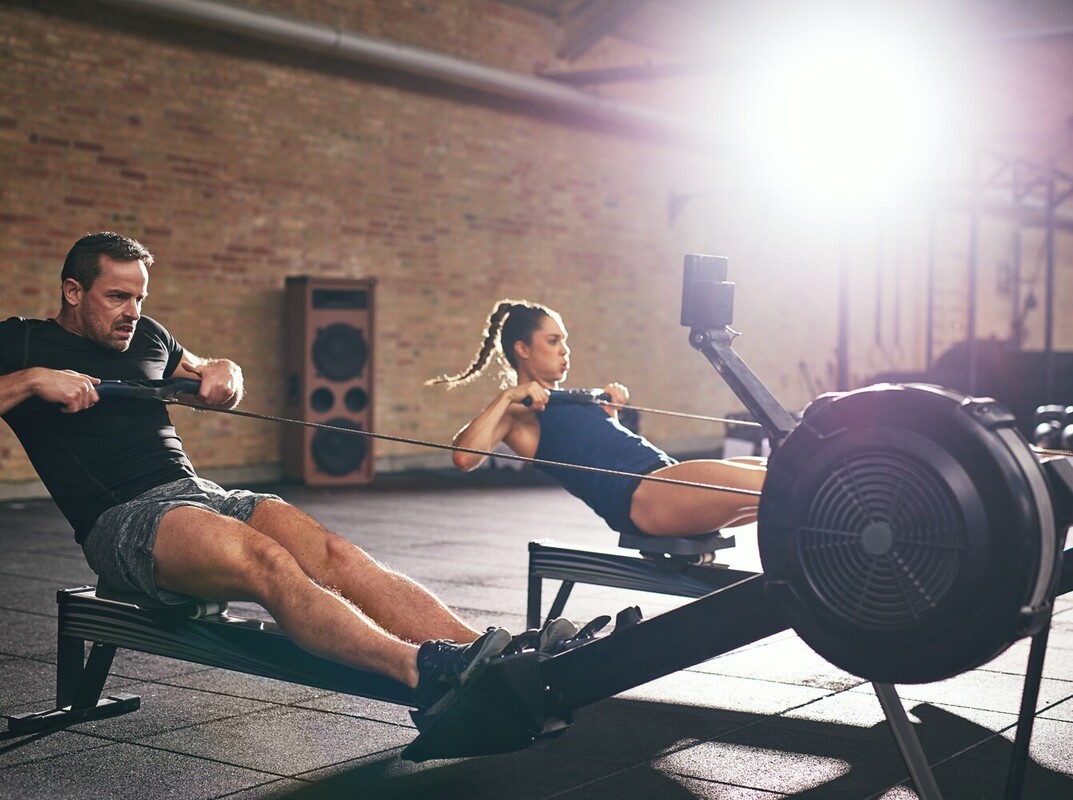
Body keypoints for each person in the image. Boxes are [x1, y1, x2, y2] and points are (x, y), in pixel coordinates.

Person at [0, 232, 539, 712]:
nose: (132, 310)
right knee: (267, 561)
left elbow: (212, 373)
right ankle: (423, 671)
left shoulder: (147, 337)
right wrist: (29, 383)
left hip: (200, 494)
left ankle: (499, 658)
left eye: (139, 297)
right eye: (117, 297)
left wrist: (225, 372)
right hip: (123, 518)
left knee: (338, 556)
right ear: (73, 292)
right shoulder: (22, 342)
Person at [427, 299, 767, 538]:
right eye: (553, 341)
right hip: (642, 496)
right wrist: (507, 396)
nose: (565, 350)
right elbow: (463, 456)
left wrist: (611, 416)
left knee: (779, 472)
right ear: (523, 350)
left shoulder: (568, 400)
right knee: (781, 485)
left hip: (662, 480)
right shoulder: (518, 414)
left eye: (565, 341)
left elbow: (599, 451)